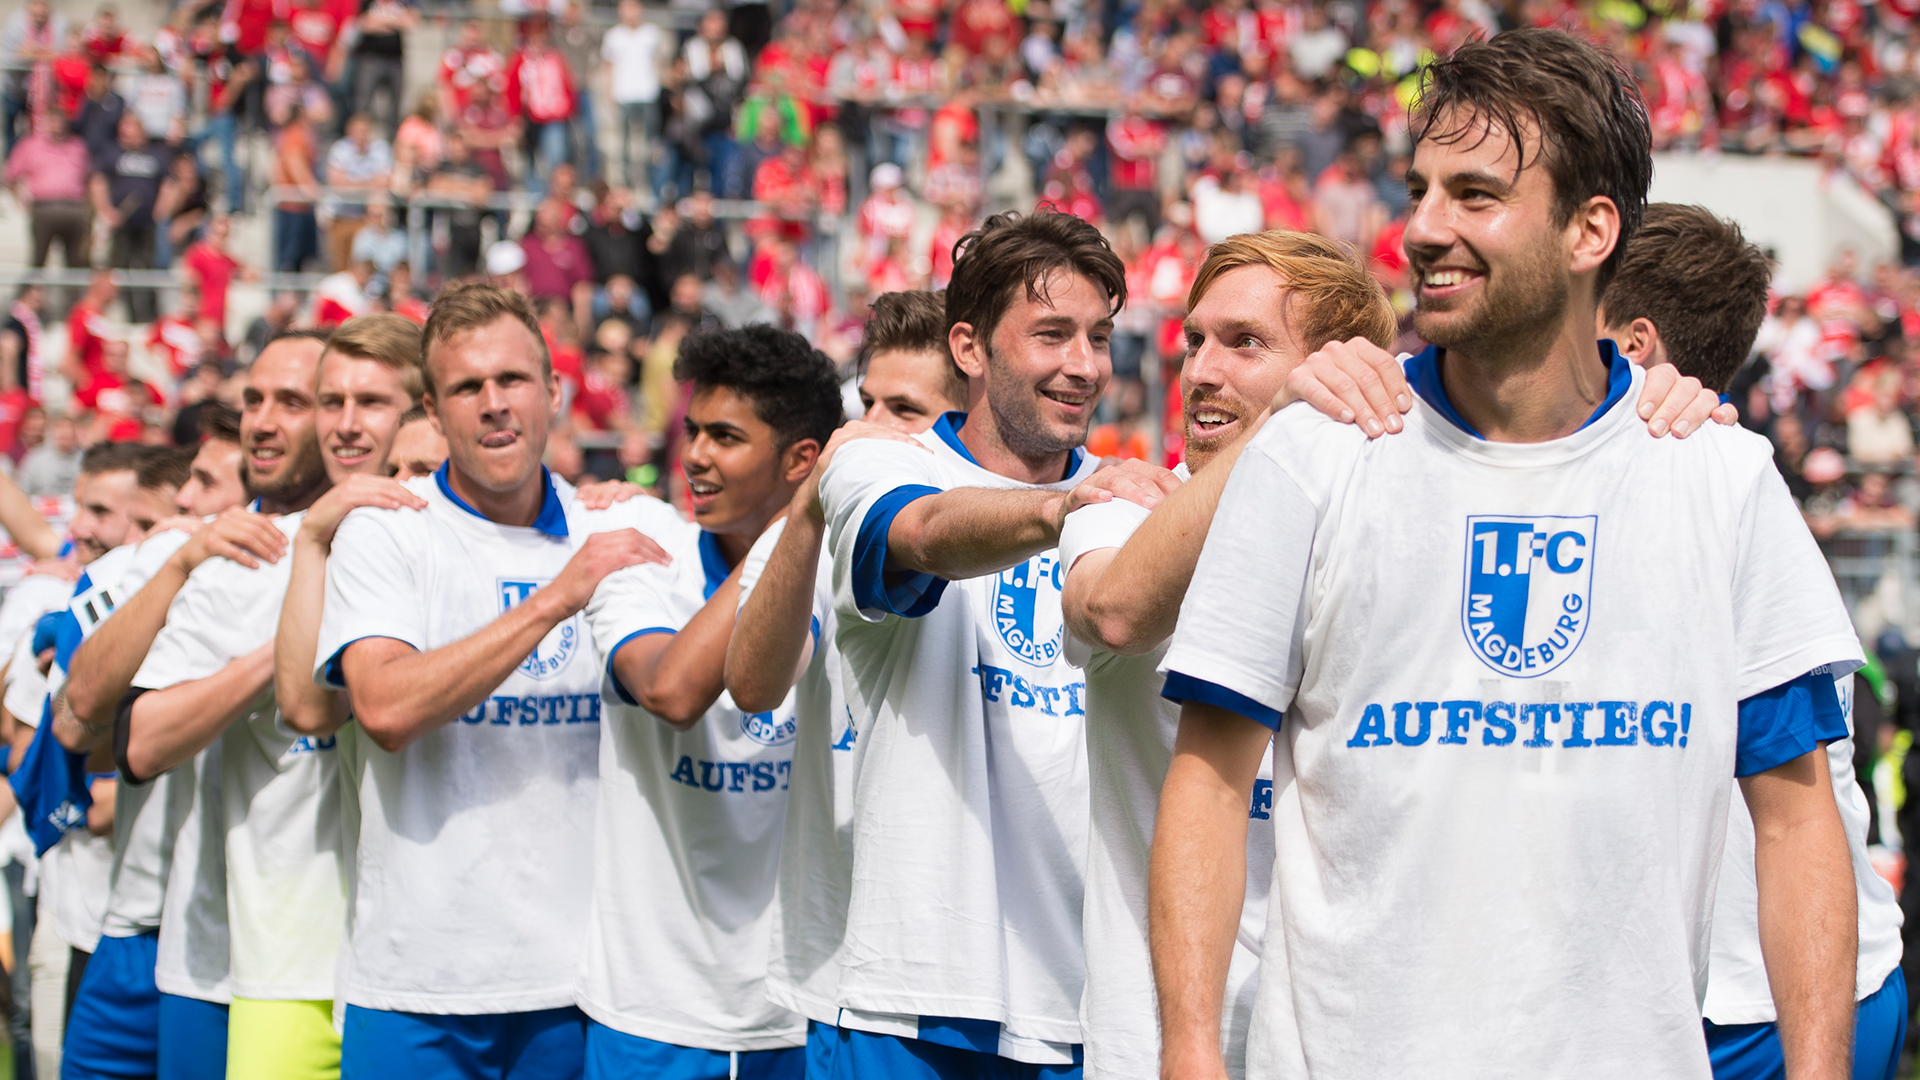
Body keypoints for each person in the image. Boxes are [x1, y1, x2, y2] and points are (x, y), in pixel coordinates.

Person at [1152, 29, 1862, 1079]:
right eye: (1420, 190)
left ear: (1590, 231)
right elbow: (1209, 781)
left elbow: (1798, 815)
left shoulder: (1718, 476)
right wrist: (1192, 1056)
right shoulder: (1314, 454)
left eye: (1475, 195)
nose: (1423, 230)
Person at [810, 210, 1169, 1076]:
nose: (1083, 365)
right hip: (921, 998)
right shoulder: (880, 465)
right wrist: (1064, 512)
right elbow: (926, 534)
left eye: (1098, 336)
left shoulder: (1137, 497)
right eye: (1051, 335)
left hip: (1095, 1003)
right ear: (969, 348)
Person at [312, 283, 669, 1076]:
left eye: (511, 381)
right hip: (417, 985)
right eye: (467, 388)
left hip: (583, 986)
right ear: (434, 416)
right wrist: (554, 600)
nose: (494, 404)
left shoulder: (621, 528)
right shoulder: (386, 534)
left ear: (554, 391)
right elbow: (384, 706)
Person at [1599, 203, 1910, 1080]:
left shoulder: (1722, 476)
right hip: (1731, 983)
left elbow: (1792, 794)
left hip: (1759, 997)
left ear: (1632, 345)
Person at [577, 324, 842, 1077]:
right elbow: (670, 688)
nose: (694, 456)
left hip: (799, 1014)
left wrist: (804, 530)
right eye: (693, 431)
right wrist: (792, 531)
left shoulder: (848, 575)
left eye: (726, 437)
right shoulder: (638, 550)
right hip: (648, 1012)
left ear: (800, 461)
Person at [720, 290, 968, 1055]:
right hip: (849, 964)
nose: (869, 428)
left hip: (990, 963)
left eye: (905, 408)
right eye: (864, 403)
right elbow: (755, 687)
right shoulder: (814, 525)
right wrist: (804, 517)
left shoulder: (1009, 523)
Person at [55, 406, 260, 1080]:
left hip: (246, 944)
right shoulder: (160, 564)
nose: (184, 501)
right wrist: (174, 568)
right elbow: (77, 719)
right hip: (138, 926)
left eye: (205, 484)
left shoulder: (310, 569)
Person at [90, 113, 170, 324]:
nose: (126, 137)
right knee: (121, 271)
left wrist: (161, 209)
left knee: (147, 269)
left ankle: (150, 316)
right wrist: (106, 210)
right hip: (121, 224)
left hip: (147, 224)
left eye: (130, 131)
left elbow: (168, 184)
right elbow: (98, 182)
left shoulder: (156, 155)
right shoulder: (112, 154)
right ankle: (130, 316)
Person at [5, 109, 91, 275]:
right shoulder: (30, 145)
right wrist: (20, 202)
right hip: (44, 208)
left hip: (74, 209)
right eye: (53, 121)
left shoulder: (77, 146)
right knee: (38, 260)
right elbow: (10, 176)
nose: (57, 126)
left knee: (76, 263)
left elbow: (90, 178)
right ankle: (28, 299)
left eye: (61, 121)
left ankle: (73, 300)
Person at [602, 0, 663, 188]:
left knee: (650, 143)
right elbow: (609, 66)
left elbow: (659, 62)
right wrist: (609, 93)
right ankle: (626, 182)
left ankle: (648, 180)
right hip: (624, 94)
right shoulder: (613, 36)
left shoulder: (652, 33)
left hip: (647, 94)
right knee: (624, 144)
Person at [325, 114, 393, 274]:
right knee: (340, 268)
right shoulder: (339, 149)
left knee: (363, 267)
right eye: (357, 131)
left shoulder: (380, 149)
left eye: (364, 131)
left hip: (366, 217)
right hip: (341, 217)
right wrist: (369, 183)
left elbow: (383, 183)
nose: (360, 135)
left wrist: (351, 183)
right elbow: (337, 185)